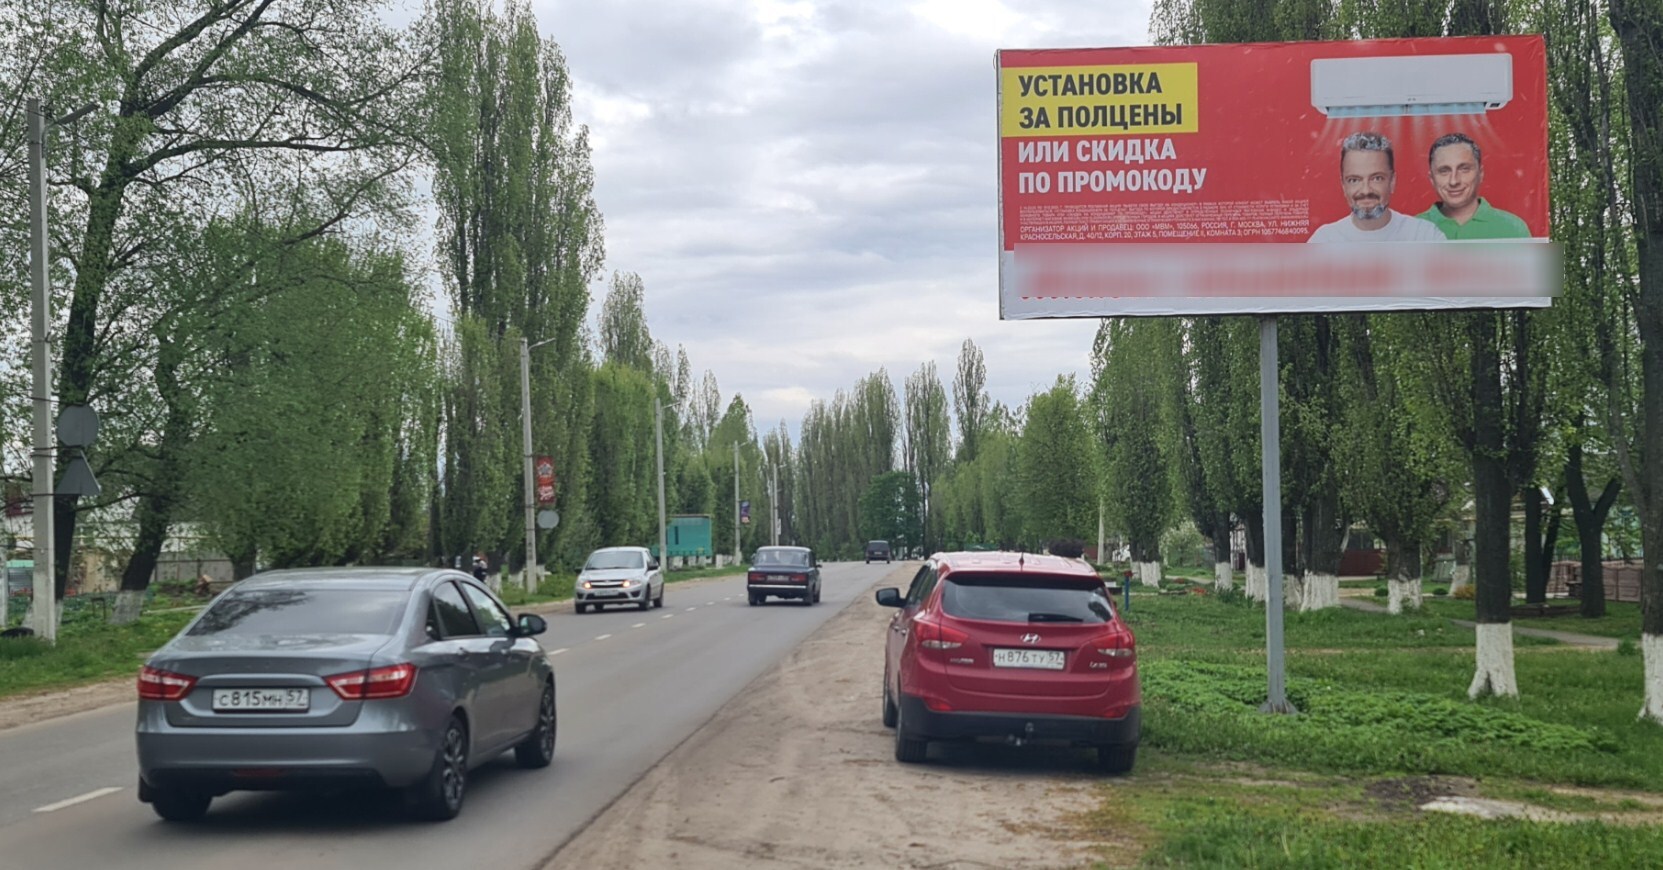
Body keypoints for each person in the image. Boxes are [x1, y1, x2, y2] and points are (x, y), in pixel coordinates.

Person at [1308, 131, 1445, 243]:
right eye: (1354, 180)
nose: (1366, 190)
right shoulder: (1324, 241)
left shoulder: (1423, 236)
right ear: (1343, 185)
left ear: (1392, 182)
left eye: (1376, 178)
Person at [1418, 132, 1531, 240]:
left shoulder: (1513, 229)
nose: (1454, 181)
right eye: (1444, 171)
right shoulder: (1413, 229)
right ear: (1432, 179)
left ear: (1480, 174)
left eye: (1464, 169)